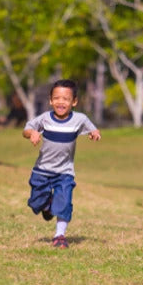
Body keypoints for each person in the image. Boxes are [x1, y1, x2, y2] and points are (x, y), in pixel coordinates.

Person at [23, 79, 101, 249]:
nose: (61, 102)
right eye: (57, 98)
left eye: (66, 99)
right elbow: (26, 129)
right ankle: (48, 206)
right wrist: (33, 134)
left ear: (74, 102)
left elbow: (91, 128)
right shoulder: (44, 119)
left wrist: (94, 132)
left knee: (65, 202)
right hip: (42, 171)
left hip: (65, 172)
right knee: (35, 203)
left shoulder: (80, 119)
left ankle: (59, 236)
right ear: (51, 100)